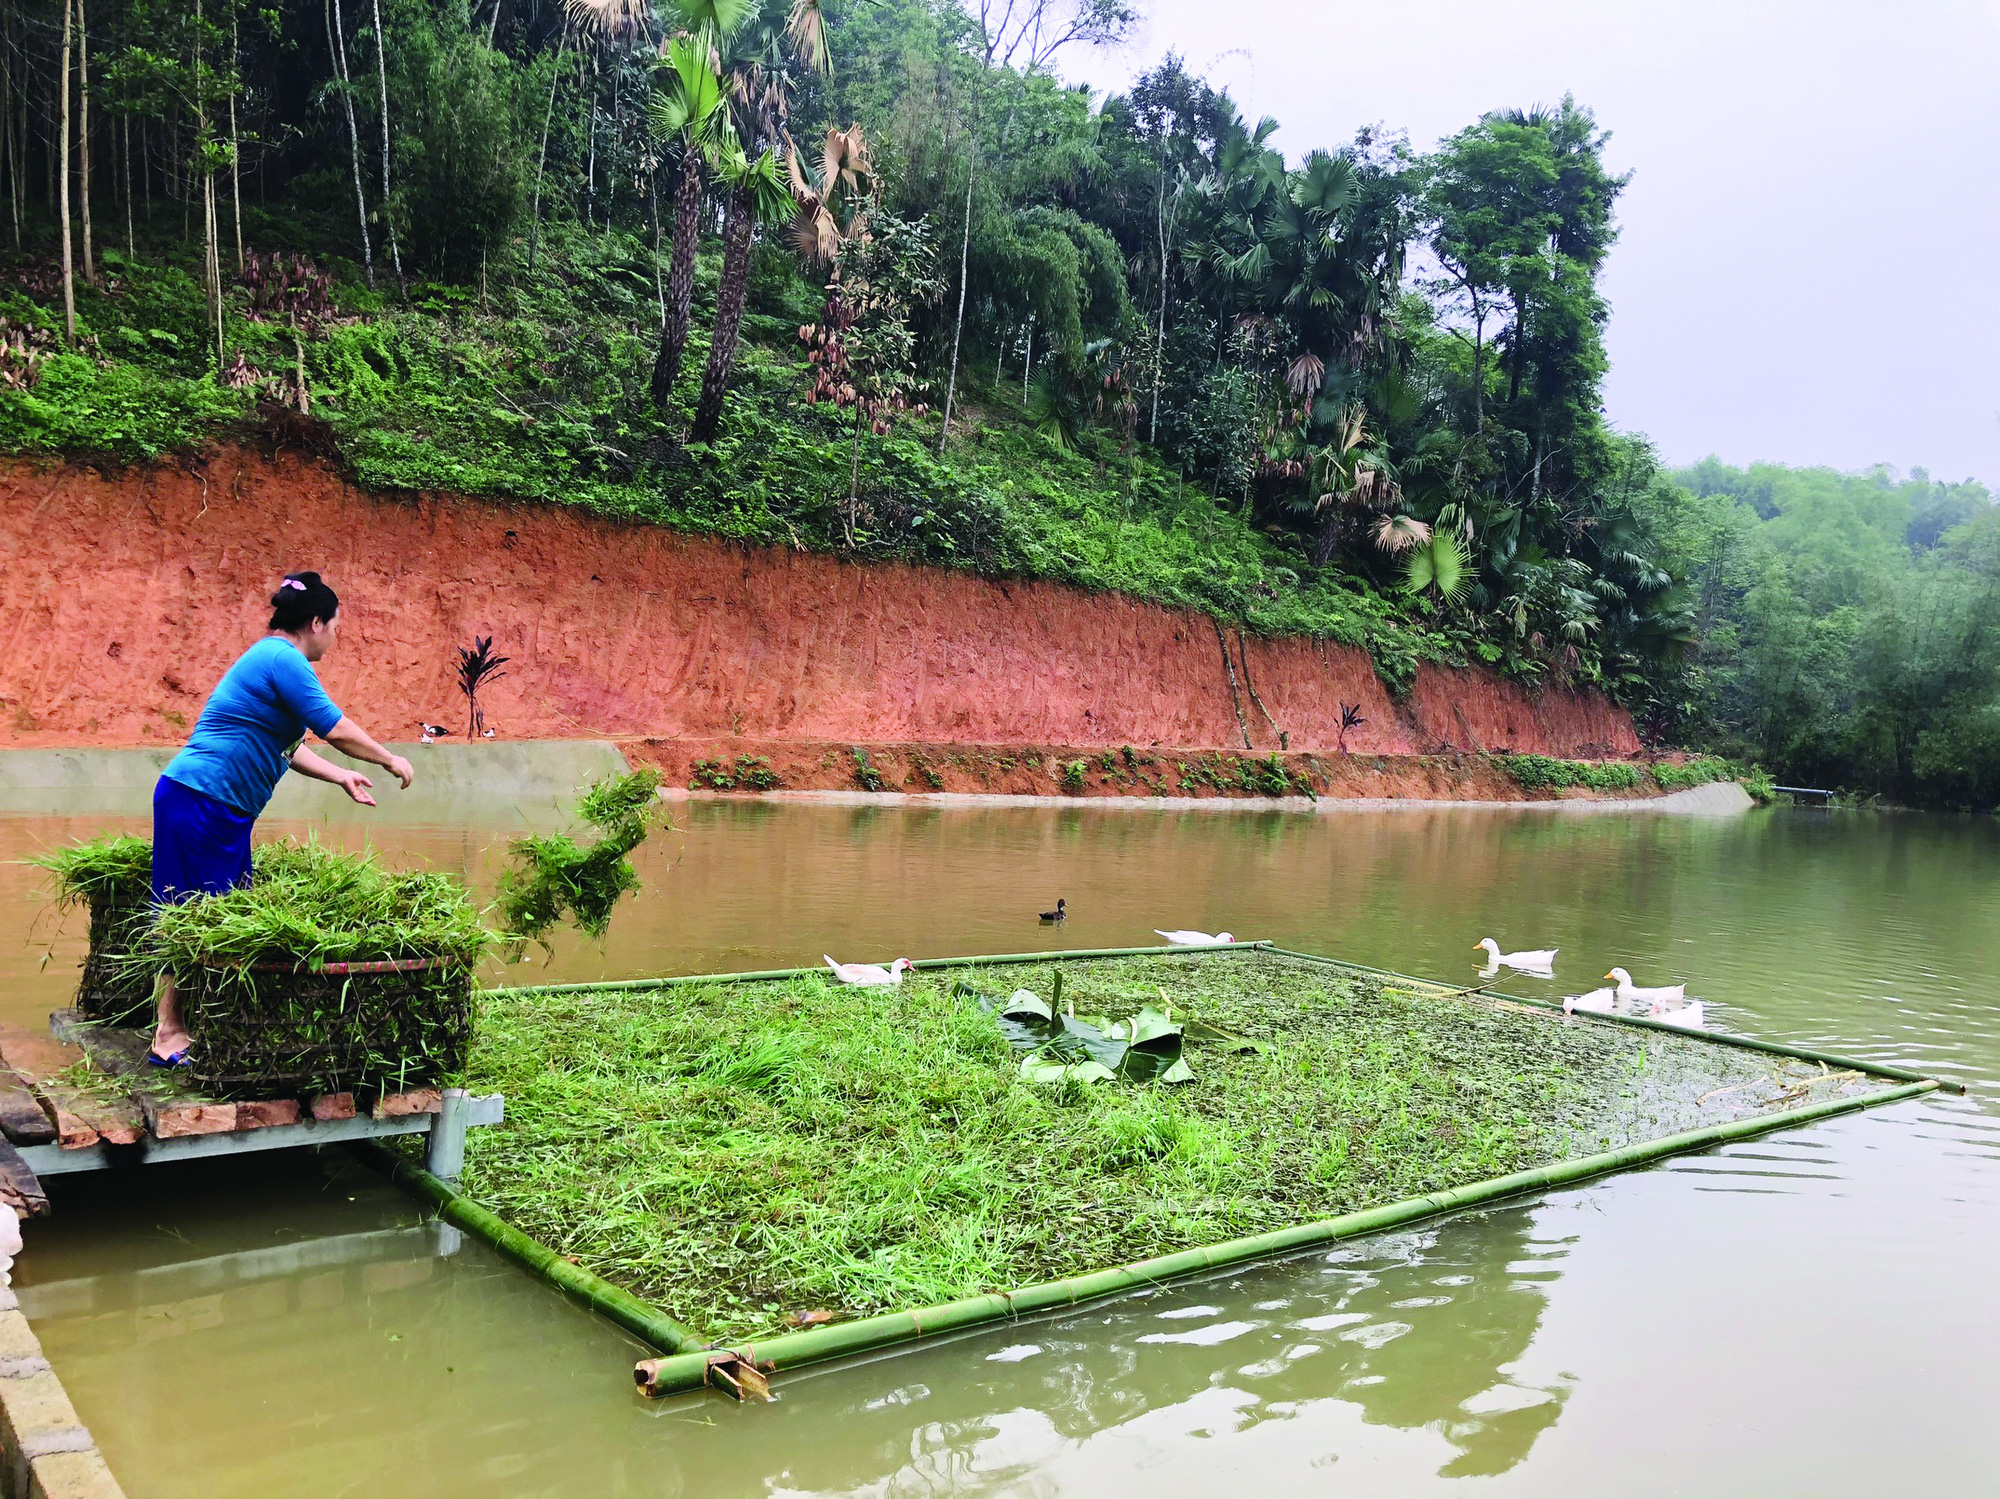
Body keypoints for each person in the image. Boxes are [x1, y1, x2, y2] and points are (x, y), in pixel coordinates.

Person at [147, 572, 414, 1064]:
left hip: (217, 806)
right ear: (315, 622)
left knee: (216, 913)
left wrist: (341, 778)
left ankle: (190, 1026)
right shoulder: (282, 658)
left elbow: (289, 747)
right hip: (202, 799)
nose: (335, 637)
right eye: (334, 627)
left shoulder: (271, 659)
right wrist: (388, 759)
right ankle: (168, 1035)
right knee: (191, 918)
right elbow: (333, 726)